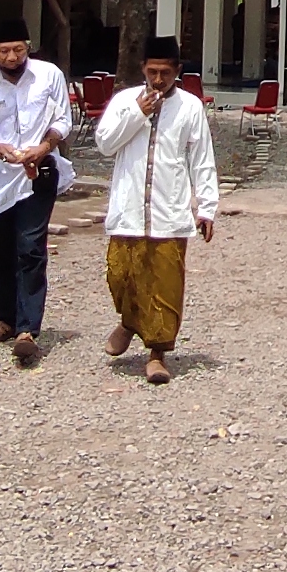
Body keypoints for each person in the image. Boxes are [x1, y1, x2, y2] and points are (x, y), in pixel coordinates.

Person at [96, 34, 220, 384]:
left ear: (177, 71)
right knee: (120, 276)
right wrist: (138, 113)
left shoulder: (190, 107)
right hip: (128, 210)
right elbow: (105, 143)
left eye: (165, 72)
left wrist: (207, 207)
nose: (158, 80)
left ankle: (157, 353)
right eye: (152, 72)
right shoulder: (124, 101)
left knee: (164, 287)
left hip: (169, 211)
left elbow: (202, 160)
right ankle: (129, 321)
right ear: (143, 70)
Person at [0, 25, 72, 364]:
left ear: (28, 47)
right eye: (5, 51)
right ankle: (4, 319)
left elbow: (62, 119)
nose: (12, 57)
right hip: (0, 179)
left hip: (39, 171)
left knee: (31, 249)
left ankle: (27, 329)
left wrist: (44, 146)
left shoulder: (48, 76)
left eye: (19, 50)